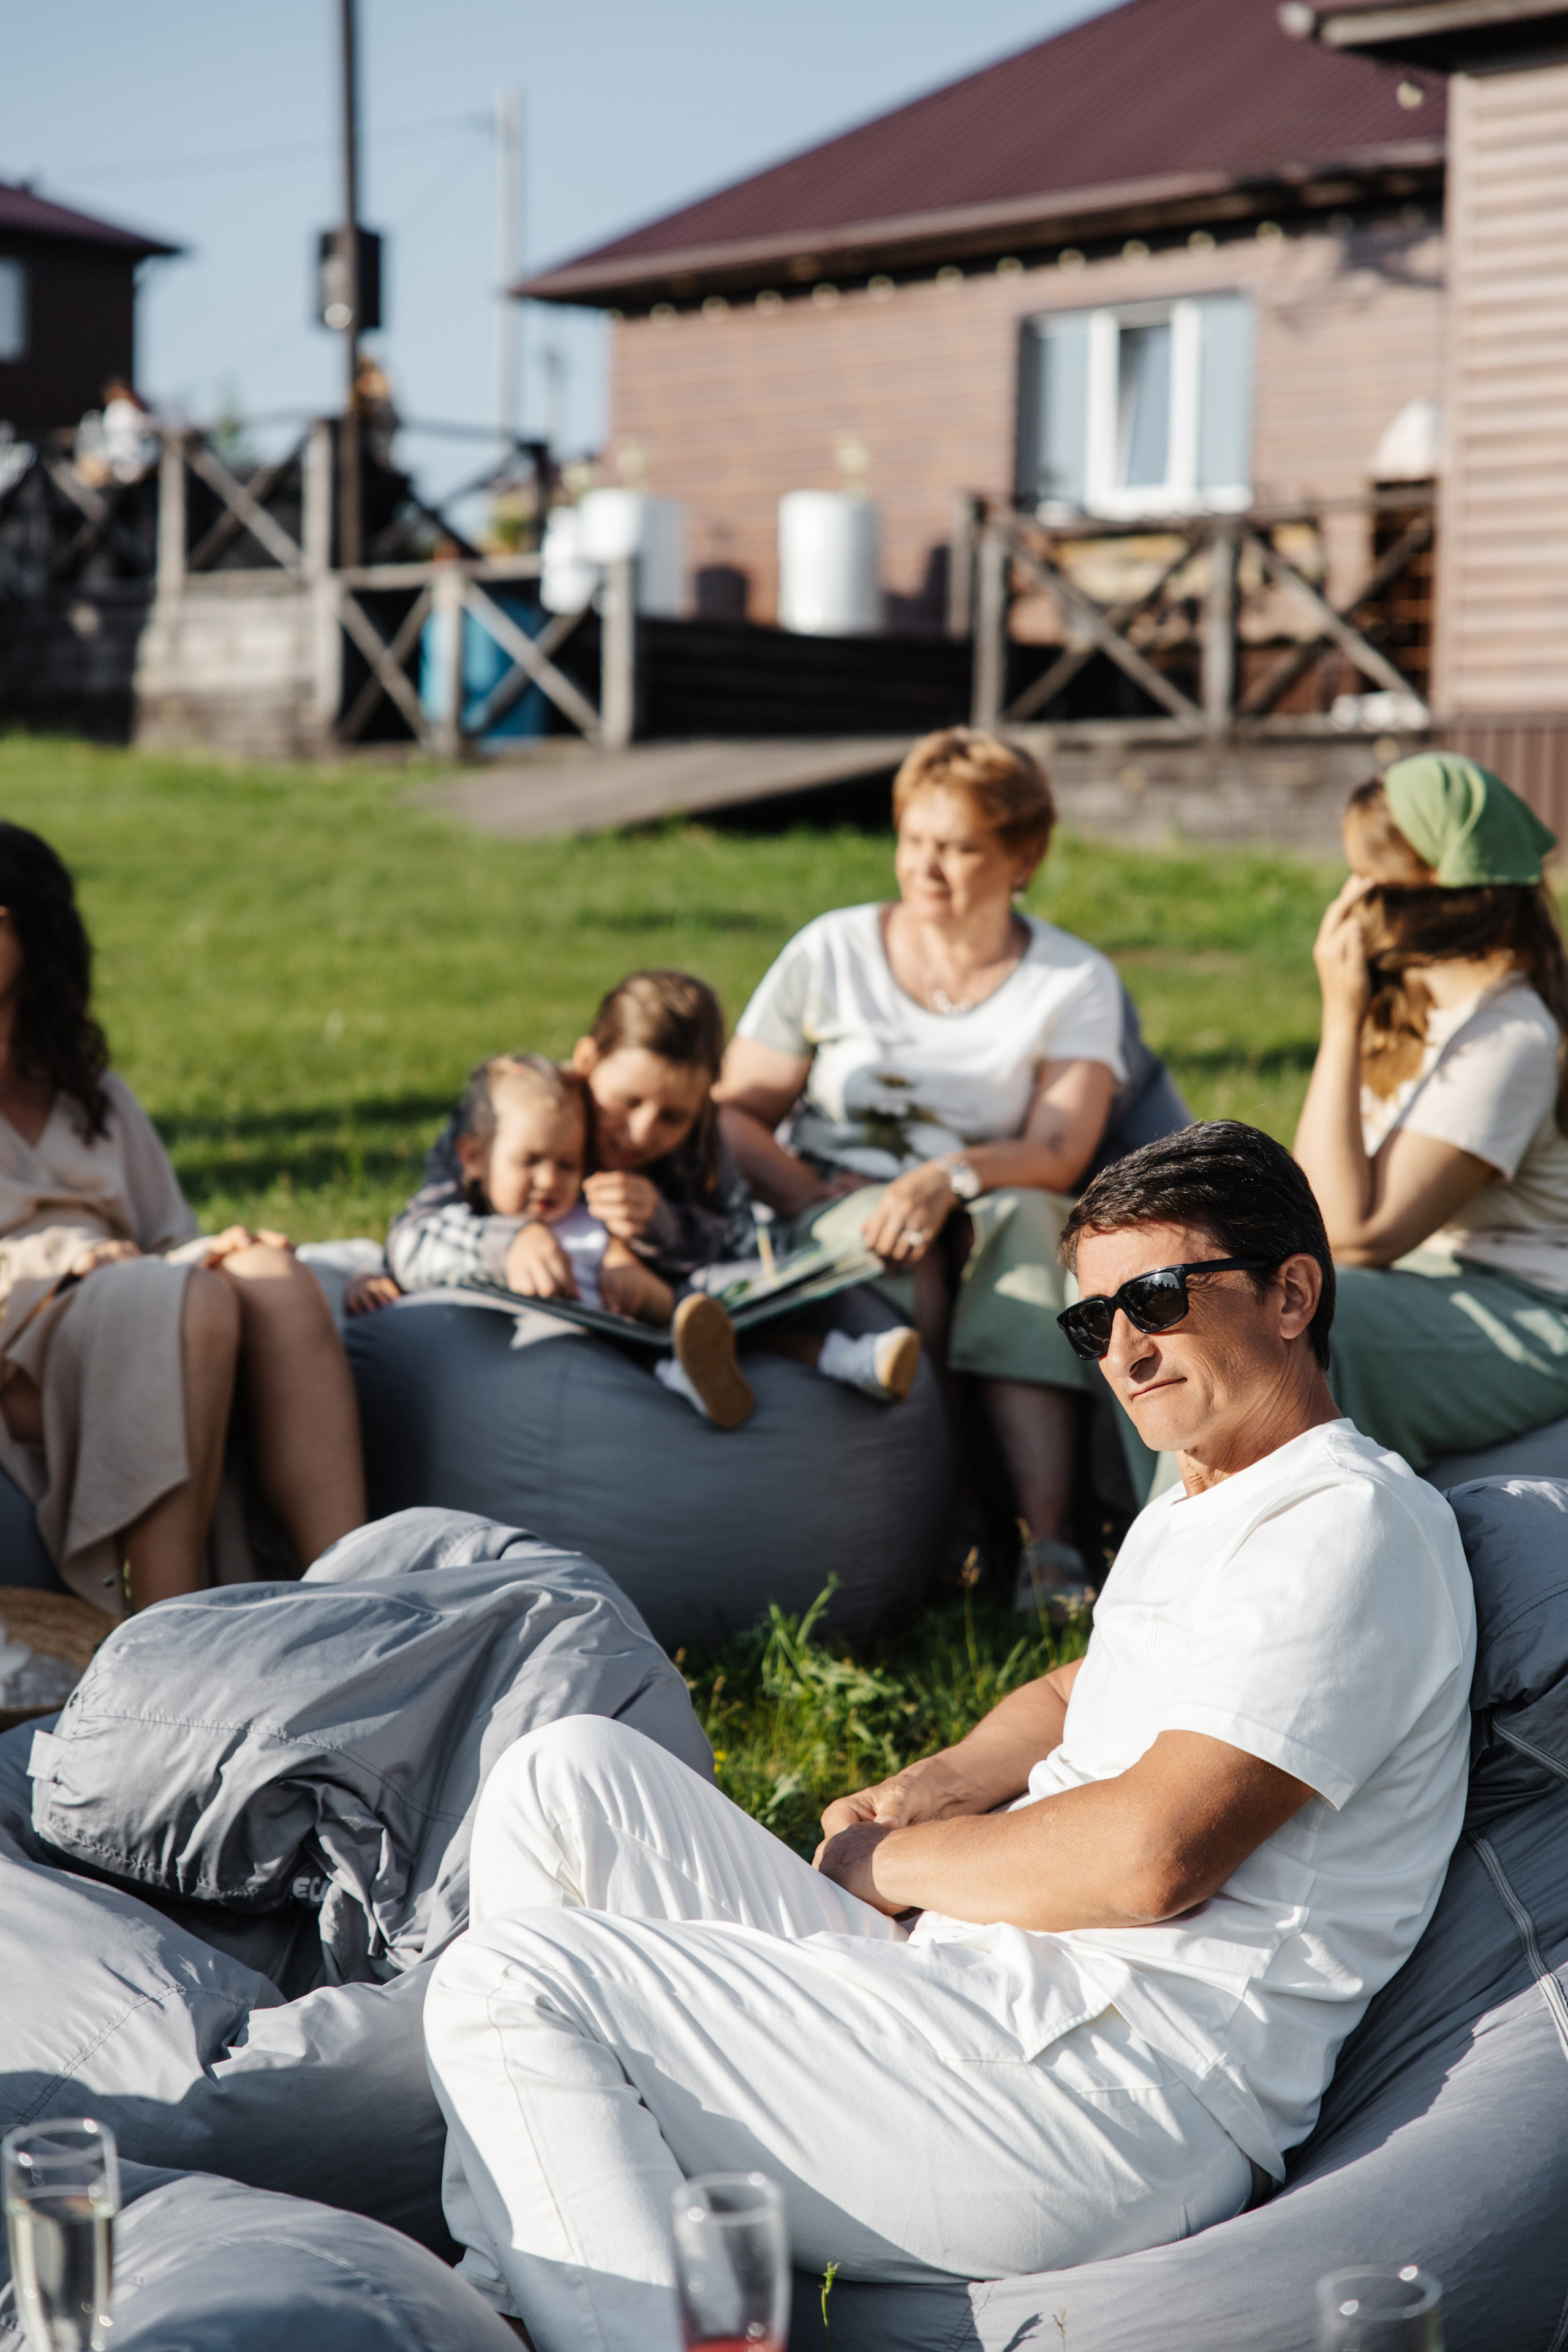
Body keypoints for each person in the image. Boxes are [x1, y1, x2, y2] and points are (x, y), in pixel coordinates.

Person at [421, 1120, 1474, 2352]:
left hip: (1109, 2094)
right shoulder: (1202, 1505)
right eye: (1092, 1322)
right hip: (985, 2002)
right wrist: (944, 1777)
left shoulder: (1343, 1524)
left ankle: (585, 2307)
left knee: (513, 1983)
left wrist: (893, 1867)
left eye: (1157, 1299)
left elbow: (1153, 1858)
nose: (1123, 1350)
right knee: (563, 1777)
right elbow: (1086, 1689)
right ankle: (522, 2283)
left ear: (1290, 1292)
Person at [715, 727, 1126, 1613]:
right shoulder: (832, 950)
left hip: (989, 1200)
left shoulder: (1073, 979)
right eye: (914, 840)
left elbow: (1062, 1150)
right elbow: (733, 1111)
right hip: (830, 1195)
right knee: (894, 1238)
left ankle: (1046, 1543)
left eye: (958, 848)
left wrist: (948, 1177)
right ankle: (947, 1514)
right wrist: (803, 1189)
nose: (925, 868)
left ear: (1026, 854)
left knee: (1028, 1232)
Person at [0, 824, 364, 1616]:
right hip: (22, 1336)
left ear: (37, 934)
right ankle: (169, 1625)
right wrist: (71, 1264)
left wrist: (210, 1249)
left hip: (142, 1301)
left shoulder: (92, 1095)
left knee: (270, 1276)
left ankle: (358, 1592)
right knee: (180, 1300)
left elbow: (166, 1233)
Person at [372, 1041, 923, 1428]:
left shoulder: (588, 1219)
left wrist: (640, 1288)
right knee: (723, 1341)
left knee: (740, 1331)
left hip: (649, 1332)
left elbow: (642, 1283)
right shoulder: (469, 1226)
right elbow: (412, 1245)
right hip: (591, 1351)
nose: (549, 1181)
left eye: (567, 1165)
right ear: (473, 1157)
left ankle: (854, 1358)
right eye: (531, 1162)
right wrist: (370, 1277)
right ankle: (718, 1369)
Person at [1294, 752, 1568, 1468]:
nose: (1350, 895)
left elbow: (1354, 1233)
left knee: (1292, 1317)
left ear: (1437, 892)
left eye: (1370, 876)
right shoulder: (1419, 1013)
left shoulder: (1510, 1036)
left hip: (1530, 1311)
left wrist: (1338, 1018)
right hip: (1435, 1284)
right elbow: (1307, 1202)